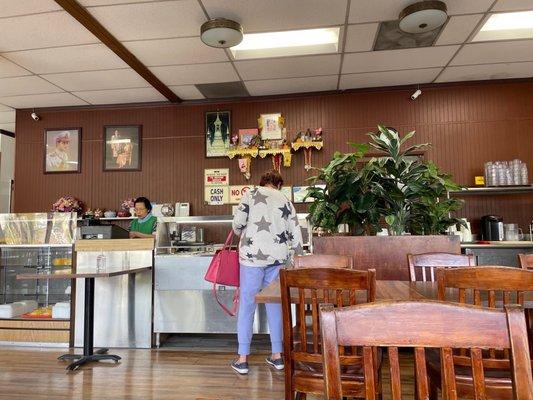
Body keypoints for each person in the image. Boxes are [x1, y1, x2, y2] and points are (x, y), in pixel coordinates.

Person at [231, 170, 304, 375]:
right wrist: (298, 255)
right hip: (278, 258)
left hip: (252, 258)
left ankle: (243, 358)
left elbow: (238, 224)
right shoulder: (286, 201)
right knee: (276, 305)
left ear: (262, 183)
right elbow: (295, 234)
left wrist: (242, 232)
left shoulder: (250, 194)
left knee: (247, 305)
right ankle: (277, 356)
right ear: (279, 185)